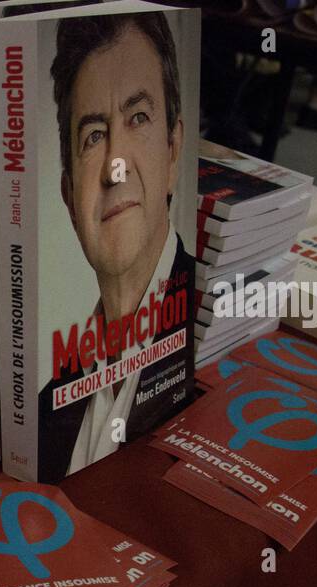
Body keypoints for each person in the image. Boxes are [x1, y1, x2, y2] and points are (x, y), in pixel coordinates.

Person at [38, 11, 197, 480]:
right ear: (70, 196)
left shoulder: (215, 334)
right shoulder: (46, 407)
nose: (115, 168)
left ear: (172, 151)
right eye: (94, 136)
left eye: (139, 118)